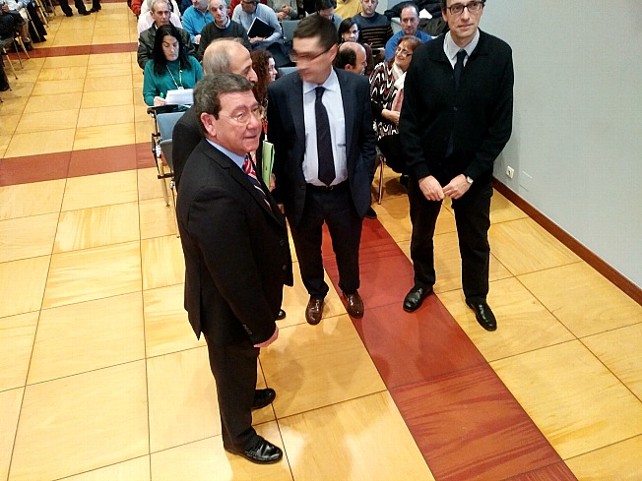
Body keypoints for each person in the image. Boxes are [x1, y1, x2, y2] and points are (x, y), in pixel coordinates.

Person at [176, 72, 293, 464]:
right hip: (227, 307)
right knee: (231, 366)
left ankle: (246, 394)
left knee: (242, 364)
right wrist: (263, 325)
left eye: (255, 110)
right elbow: (234, 275)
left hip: (239, 296)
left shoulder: (232, 153)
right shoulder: (212, 189)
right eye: (239, 114)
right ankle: (238, 436)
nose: (254, 122)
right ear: (209, 122)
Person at [399, 0, 514, 332]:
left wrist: (470, 175)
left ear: (481, 9)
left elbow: (500, 127)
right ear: (445, 12)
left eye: (473, 5)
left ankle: (477, 295)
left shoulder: (499, 55)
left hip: (472, 172)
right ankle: (423, 281)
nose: (465, 15)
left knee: (475, 238)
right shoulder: (423, 57)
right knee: (421, 234)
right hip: (427, 169)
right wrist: (421, 174)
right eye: (457, 7)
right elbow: (409, 123)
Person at [267, 15, 376, 325]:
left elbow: (367, 140)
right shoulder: (281, 92)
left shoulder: (355, 86)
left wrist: (363, 178)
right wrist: (279, 192)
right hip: (303, 192)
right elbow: (276, 144)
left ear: (332, 52)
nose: (301, 64)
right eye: (296, 54)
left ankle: (350, 289)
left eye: (310, 56)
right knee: (307, 250)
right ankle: (316, 293)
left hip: (345, 190)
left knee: (348, 247)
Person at [172, 38, 257, 187]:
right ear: (222, 77)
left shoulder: (252, 100)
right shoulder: (189, 128)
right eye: (246, 71)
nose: (254, 77)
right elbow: (189, 185)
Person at [370, 35, 421, 179]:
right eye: (398, 49)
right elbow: (367, 101)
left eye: (405, 52)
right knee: (397, 152)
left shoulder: (416, 75)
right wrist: (387, 114)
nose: (399, 54)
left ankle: (413, 178)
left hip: (407, 123)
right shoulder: (382, 69)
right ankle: (409, 175)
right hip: (382, 120)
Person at [142, 24, 203, 106]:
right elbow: (148, 95)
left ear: (179, 45)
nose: (172, 50)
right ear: (159, 47)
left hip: (193, 109)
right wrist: (154, 100)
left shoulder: (192, 61)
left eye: (175, 45)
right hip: (167, 110)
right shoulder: (151, 66)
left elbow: (205, 86)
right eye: (166, 46)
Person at [138, 0, 196, 69]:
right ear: (152, 15)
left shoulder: (182, 34)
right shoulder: (145, 37)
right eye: (160, 13)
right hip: (157, 72)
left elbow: (191, 54)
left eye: (166, 12)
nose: (164, 16)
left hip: (180, 70)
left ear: (170, 14)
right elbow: (142, 59)